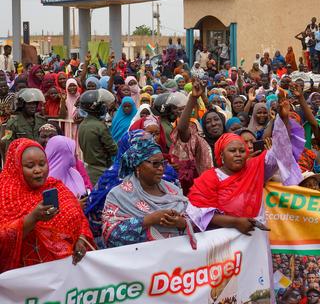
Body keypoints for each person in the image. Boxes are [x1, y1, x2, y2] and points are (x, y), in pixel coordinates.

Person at [187, 91, 304, 235]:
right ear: (221, 154)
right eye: (232, 150)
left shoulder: (256, 168)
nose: (238, 154)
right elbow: (198, 213)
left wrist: (284, 119)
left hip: (257, 238)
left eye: (242, 151)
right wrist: (235, 222)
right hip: (223, 242)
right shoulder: (209, 178)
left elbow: (281, 149)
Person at [0, 138, 94, 273]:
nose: (38, 170)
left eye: (42, 164)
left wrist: (81, 239)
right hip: (29, 281)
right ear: (17, 167)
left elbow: (80, 219)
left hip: (68, 276)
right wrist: (32, 218)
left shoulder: (57, 187)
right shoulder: (5, 194)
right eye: (30, 166)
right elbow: (3, 238)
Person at [102, 135, 195, 248]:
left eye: (163, 163)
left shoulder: (173, 190)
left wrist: (182, 223)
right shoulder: (118, 195)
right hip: (141, 261)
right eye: (155, 163)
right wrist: (149, 220)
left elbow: (196, 220)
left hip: (178, 260)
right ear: (138, 166)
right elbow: (110, 236)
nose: (161, 168)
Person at [78, 90, 118, 185]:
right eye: (103, 105)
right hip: (101, 170)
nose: (105, 107)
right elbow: (114, 150)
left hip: (89, 168)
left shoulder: (82, 124)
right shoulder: (100, 126)